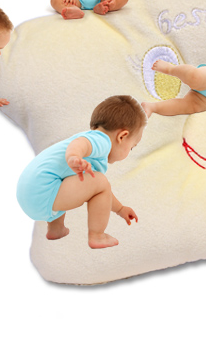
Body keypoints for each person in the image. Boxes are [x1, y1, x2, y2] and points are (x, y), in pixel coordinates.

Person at [16, 95, 146, 247]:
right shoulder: (102, 140)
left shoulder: (93, 139)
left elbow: (103, 193)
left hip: (29, 193)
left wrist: (120, 209)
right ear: (122, 136)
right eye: (132, 147)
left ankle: (56, 229)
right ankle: (97, 236)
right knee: (100, 181)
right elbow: (80, 144)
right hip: (42, 193)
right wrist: (74, 157)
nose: (130, 151)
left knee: (73, 180)